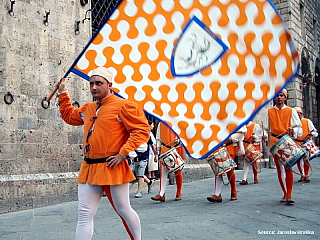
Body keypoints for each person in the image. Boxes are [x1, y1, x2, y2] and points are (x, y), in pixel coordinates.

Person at [57, 66, 150, 240]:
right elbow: (69, 116)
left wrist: (123, 153)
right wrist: (63, 93)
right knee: (84, 214)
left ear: (110, 85)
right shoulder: (88, 108)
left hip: (113, 166)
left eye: (98, 83)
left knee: (124, 209)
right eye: (91, 83)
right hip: (89, 168)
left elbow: (142, 130)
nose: (93, 87)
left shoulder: (124, 106)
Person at [264, 89, 301, 204]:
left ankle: (289, 194)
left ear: (285, 97)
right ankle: (285, 193)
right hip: (275, 141)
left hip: (287, 140)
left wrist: (293, 130)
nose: (279, 97)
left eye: (281, 95)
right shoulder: (269, 111)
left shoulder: (291, 111)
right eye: (277, 95)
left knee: (288, 167)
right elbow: (266, 128)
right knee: (280, 169)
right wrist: (265, 136)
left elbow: (298, 127)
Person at [207, 126, 246, 202]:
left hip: (229, 146)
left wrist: (231, 138)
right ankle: (217, 194)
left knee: (229, 169)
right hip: (217, 146)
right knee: (217, 169)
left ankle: (233, 191)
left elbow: (241, 132)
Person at [151, 122, 186, 202]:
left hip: (175, 149)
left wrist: (179, 140)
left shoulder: (176, 122)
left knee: (177, 171)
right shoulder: (160, 123)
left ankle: (179, 192)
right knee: (163, 172)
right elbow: (158, 137)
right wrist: (158, 147)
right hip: (164, 149)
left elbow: (182, 135)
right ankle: (161, 194)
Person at [294, 106, 318, 183]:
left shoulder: (307, 121)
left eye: (300, 113)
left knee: (306, 160)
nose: (299, 115)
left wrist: (312, 133)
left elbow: (315, 132)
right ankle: (302, 175)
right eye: (297, 114)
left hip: (305, 143)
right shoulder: (292, 122)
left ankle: (306, 175)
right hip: (296, 143)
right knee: (298, 160)